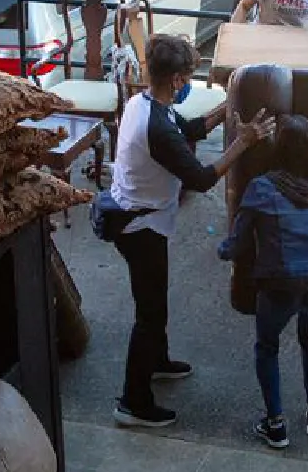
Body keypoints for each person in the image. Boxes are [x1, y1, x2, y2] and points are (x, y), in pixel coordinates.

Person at [104, 32, 273, 429]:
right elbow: (199, 178)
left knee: (155, 301)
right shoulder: (156, 126)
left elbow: (190, 129)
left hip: (141, 220)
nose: (190, 83)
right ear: (177, 80)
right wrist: (244, 141)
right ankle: (133, 402)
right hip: (139, 227)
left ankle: (157, 361)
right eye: (189, 77)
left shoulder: (143, 103)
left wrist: (227, 108)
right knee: (148, 313)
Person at [216, 115, 308, 449]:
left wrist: (223, 252)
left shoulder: (262, 188)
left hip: (279, 281)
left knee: (267, 346)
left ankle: (276, 423)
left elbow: (237, 240)